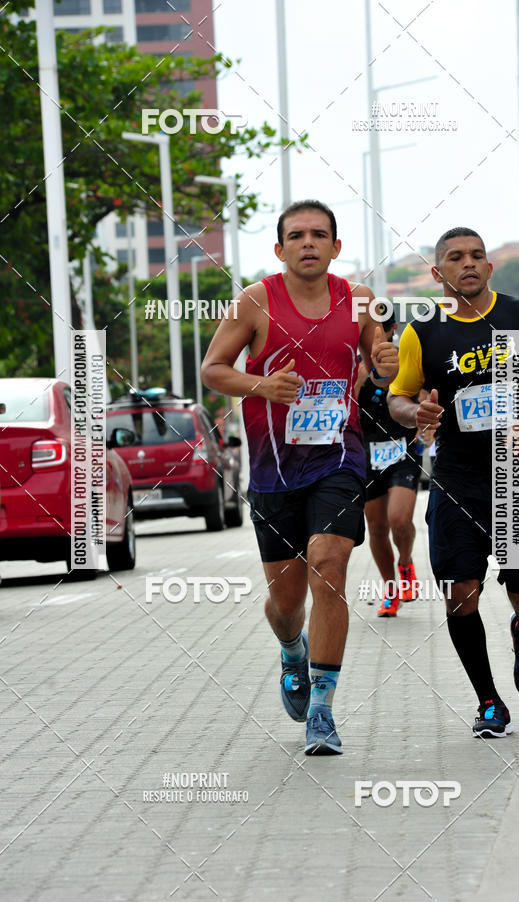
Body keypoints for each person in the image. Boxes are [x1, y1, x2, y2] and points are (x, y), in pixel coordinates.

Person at [201, 199, 398, 755]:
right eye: (297, 235)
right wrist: (262, 386)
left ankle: (323, 709)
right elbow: (213, 370)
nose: (308, 242)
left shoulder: (358, 300)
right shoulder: (256, 301)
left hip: (340, 457)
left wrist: (384, 362)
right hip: (273, 468)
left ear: (336, 247)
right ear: (280, 248)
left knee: (330, 564)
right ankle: (292, 648)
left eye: (319, 235)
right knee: (286, 602)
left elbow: (379, 358)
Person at [388, 226, 519, 739]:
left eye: (477, 256)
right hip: (458, 477)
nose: (468, 263)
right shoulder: (424, 330)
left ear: (489, 267)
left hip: (515, 471)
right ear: (439, 273)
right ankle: (489, 702)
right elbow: (400, 396)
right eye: (455, 257)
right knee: (459, 590)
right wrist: (414, 410)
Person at [355, 307, 422, 615]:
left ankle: (406, 562)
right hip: (367, 456)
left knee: (399, 519)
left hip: (403, 452)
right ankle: (390, 588)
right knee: (378, 528)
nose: (375, 333)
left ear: (394, 327)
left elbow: (421, 399)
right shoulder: (353, 365)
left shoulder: (406, 360)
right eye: (368, 327)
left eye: (380, 327)